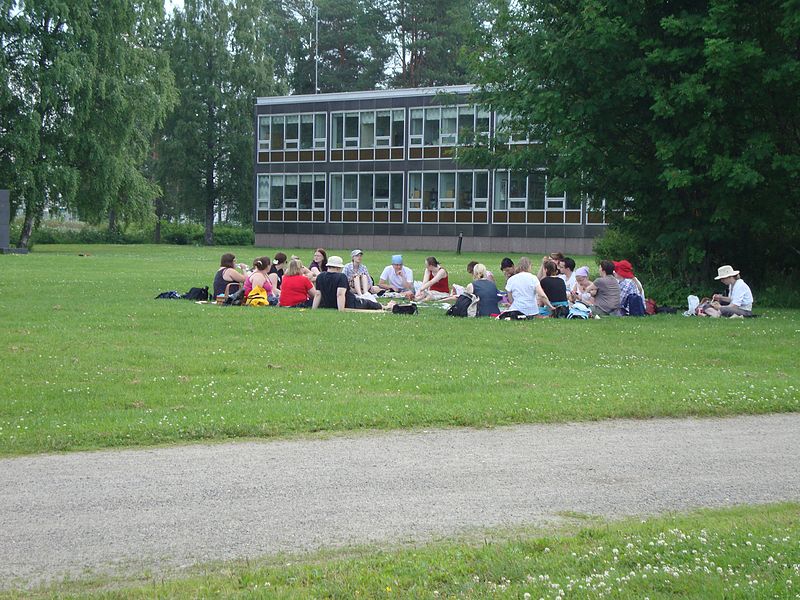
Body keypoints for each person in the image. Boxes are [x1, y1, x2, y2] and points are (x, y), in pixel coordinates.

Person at [312, 256, 382, 311]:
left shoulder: (320, 276)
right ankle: (385, 306)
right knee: (369, 303)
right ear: (338, 268)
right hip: (349, 303)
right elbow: (340, 294)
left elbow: (318, 294)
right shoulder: (341, 277)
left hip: (328, 303)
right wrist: (341, 310)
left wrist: (313, 309)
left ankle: (385, 305)